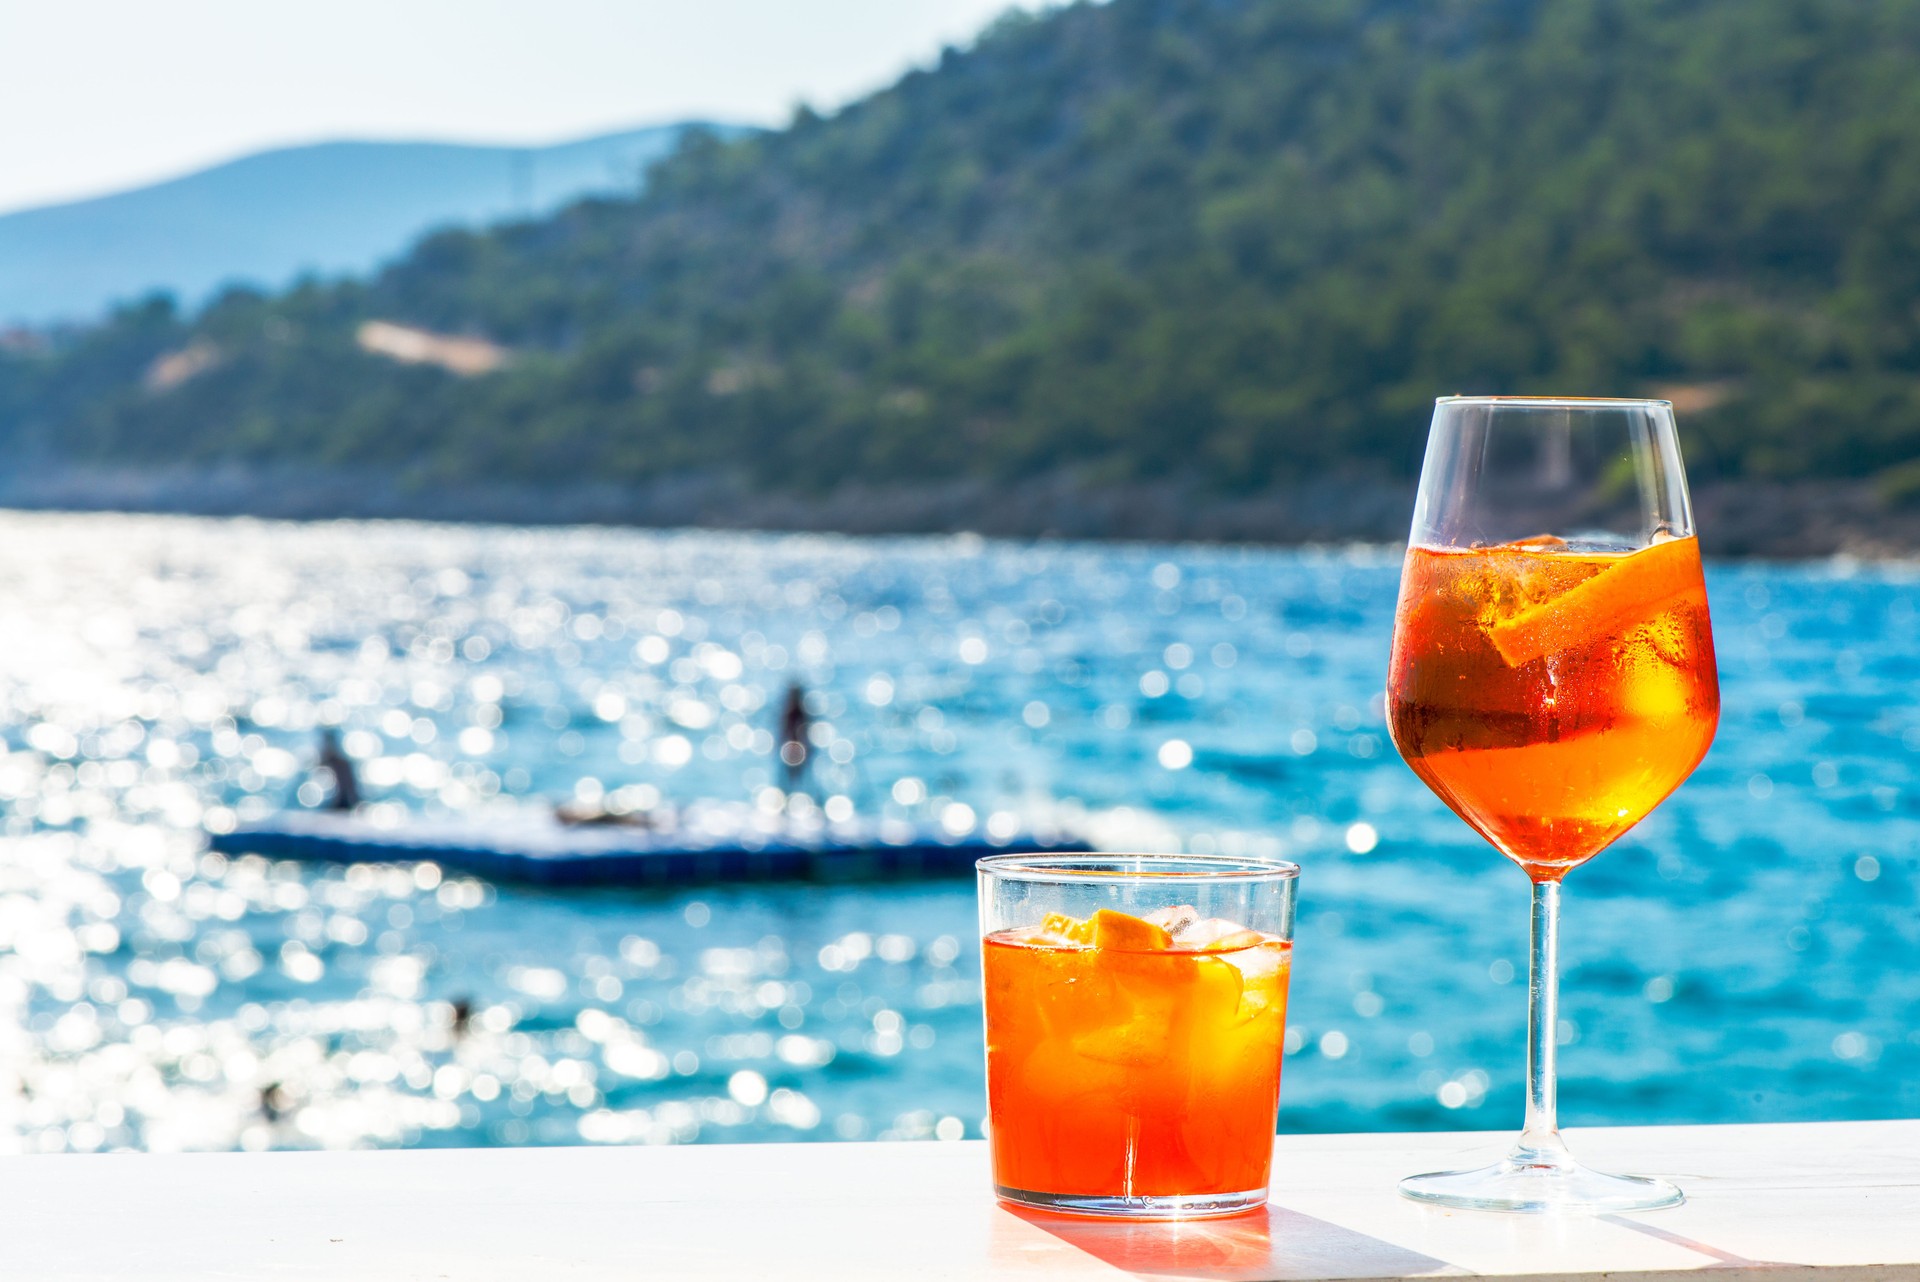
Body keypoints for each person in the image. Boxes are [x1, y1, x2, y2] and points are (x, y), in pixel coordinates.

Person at [315, 729, 360, 811]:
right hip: (346, 801)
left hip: (346, 802)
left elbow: (350, 791)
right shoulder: (337, 761)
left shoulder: (339, 762)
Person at [779, 682, 811, 793]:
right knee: (801, 778)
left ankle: (788, 800)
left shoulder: (789, 712)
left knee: (789, 779)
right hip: (798, 749)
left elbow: (784, 732)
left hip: (791, 749)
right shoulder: (803, 713)